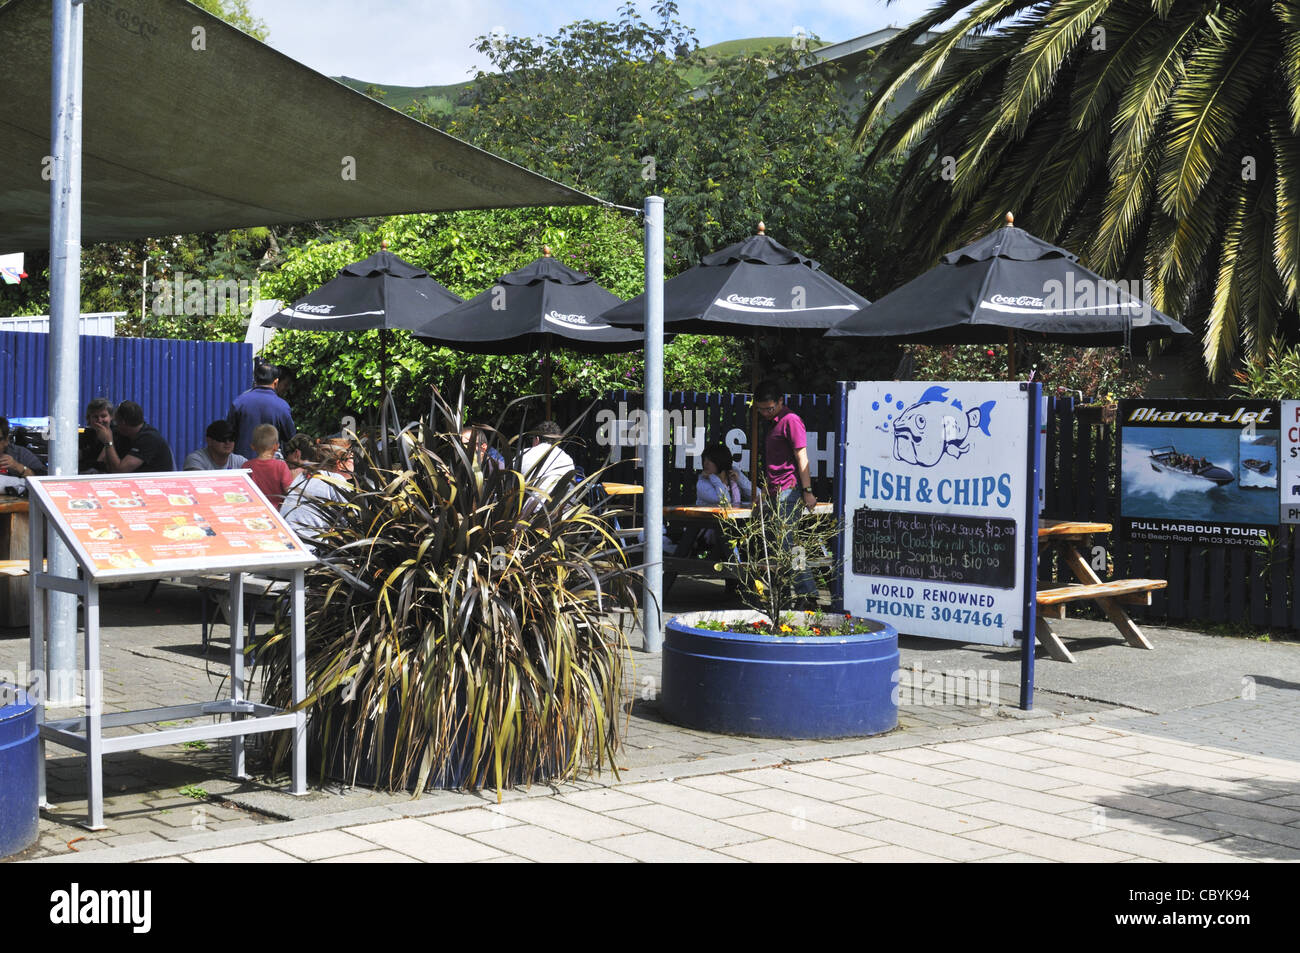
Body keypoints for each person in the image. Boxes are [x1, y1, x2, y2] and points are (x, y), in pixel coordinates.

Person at [755, 379, 818, 605]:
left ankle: (807, 594)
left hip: (788, 492)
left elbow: (802, 457)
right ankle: (787, 594)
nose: (764, 413)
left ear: (780, 401)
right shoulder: (772, 423)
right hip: (773, 491)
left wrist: (807, 491)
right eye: (760, 409)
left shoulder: (790, 421)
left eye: (769, 408)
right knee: (781, 546)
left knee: (788, 546)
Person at [280, 442, 350, 551]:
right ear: (339, 464)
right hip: (311, 549)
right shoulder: (335, 479)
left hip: (286, 543)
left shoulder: (303, 477)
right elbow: (350, 520)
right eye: (350, 459)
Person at [228, 361, 296, 460]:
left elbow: (230, 434)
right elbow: (291, 438)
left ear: (255, 379)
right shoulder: (282, 406)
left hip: (242, 465)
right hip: (270, 465)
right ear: (276, 382)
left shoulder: (239, 402)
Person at [96, 400, 174, 473]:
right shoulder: (122, 434)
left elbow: (120, 471)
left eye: (116, 421)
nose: (115, 425)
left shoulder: (149, 438)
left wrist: (108, 442)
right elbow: (101, 461)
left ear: (123, 422)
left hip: (153, 483)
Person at [243, 423, 294, 508]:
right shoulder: (281, 466)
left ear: (252, 447)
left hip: (255, 511)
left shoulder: (246, 466)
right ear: (276, 446)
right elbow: (290, 491)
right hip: (277, 513)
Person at [519, 420, 576, 494]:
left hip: (526, 504)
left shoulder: (523, 454)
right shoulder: (567, 460)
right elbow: (570, 490)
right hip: (560, 504)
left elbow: (509, 482)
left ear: (537, 439)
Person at [695, 442, 752, 507]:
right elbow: (725, 500)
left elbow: (758, 495)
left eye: (710, 460)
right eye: (704, 460)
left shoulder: (733, 474)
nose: (706, 463)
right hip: (709, 517)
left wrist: (739, 480)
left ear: (720, 460)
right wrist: (713, 477)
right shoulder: (702, 483)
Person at [78, 397, 114, 473]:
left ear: (111, 417)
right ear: (89, 419)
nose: (99, 420)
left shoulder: (117, 434)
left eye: (103, 416)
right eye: (95, 417)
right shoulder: (87, 434)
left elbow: (100, 462)